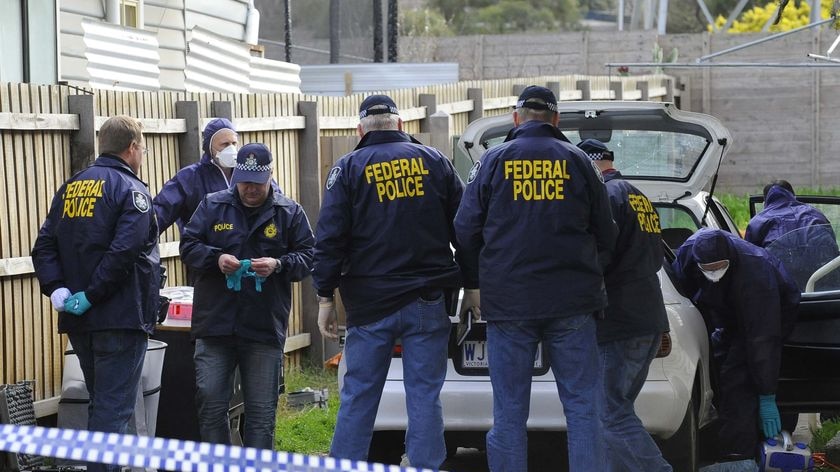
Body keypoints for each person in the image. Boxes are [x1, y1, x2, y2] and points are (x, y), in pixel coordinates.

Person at [454, 86, 618, 472]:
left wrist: (477, 280)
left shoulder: (493, 160)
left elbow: (464, 229)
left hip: (509, 304)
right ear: (556, 120)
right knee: (582, 410)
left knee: (509, 412)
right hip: (573, 303)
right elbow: (607, 232)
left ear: (516, 119)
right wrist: (589, 273)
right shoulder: (580, 161)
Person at [313, 94, 465, 468]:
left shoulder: (349, 168)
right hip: (426, 301)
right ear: (400, 125)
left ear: (359, 130)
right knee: (425, 396)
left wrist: (324, 296)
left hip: (370, 304)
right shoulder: (435, 162)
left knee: (359, 395)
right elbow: (466, 227)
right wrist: (472, 281)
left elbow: (330, 237)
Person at [31, 115, 161, 472]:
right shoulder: (131, 190)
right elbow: (125, 251)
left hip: (80, 319)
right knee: (113, 412)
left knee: (101, 405)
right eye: (143, 149)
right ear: (133, 148)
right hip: (119, 317)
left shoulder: (71, 187)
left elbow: (43, 247)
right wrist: (93, 293)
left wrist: (58, 289)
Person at [179, 142, 314, 449]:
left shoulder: (289, 212)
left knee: (261, 414)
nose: (249, 188)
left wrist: (279, 265)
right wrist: (216, 259)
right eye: (243, 181)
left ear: (270, 176)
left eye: (256, 182)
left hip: (263, 327)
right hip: (215, 326)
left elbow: (309, 256)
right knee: (211, 405)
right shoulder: (213, 205)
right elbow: (188, 246)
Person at [578, 138, 672, 472]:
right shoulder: (637, 195)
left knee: (609, 414)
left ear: (589, 164)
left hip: (620, 321)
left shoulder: (606, 196)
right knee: (616, 412)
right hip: (647, 316)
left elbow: (597, 257)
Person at [672, 229, 800, 470]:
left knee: (743, 378)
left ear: (730, 259)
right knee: (723, 372)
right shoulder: (688, 255)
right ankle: (730, 443)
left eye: (719, 266)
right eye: (707, 268)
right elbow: (688, 296)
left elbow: (762, 338)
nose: (713, 272)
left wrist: (767, 395)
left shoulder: (755, 271)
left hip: (772, 310)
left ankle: (740, 454)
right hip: (729, 316)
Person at [745, 180, 838, 290]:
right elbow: (833, 251)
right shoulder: (816, 214)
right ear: (793, 196)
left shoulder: (757, 221)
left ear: (765, 202)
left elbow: (749, 263)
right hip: (826, 291)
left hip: (781, 294)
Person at [153, 117, 239, 234]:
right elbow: (161, 212)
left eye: (234, 143)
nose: (231, 149)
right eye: (225, 144)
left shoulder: (247, 174)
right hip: (202, 249)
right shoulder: (189, 178)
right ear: (209, 147)